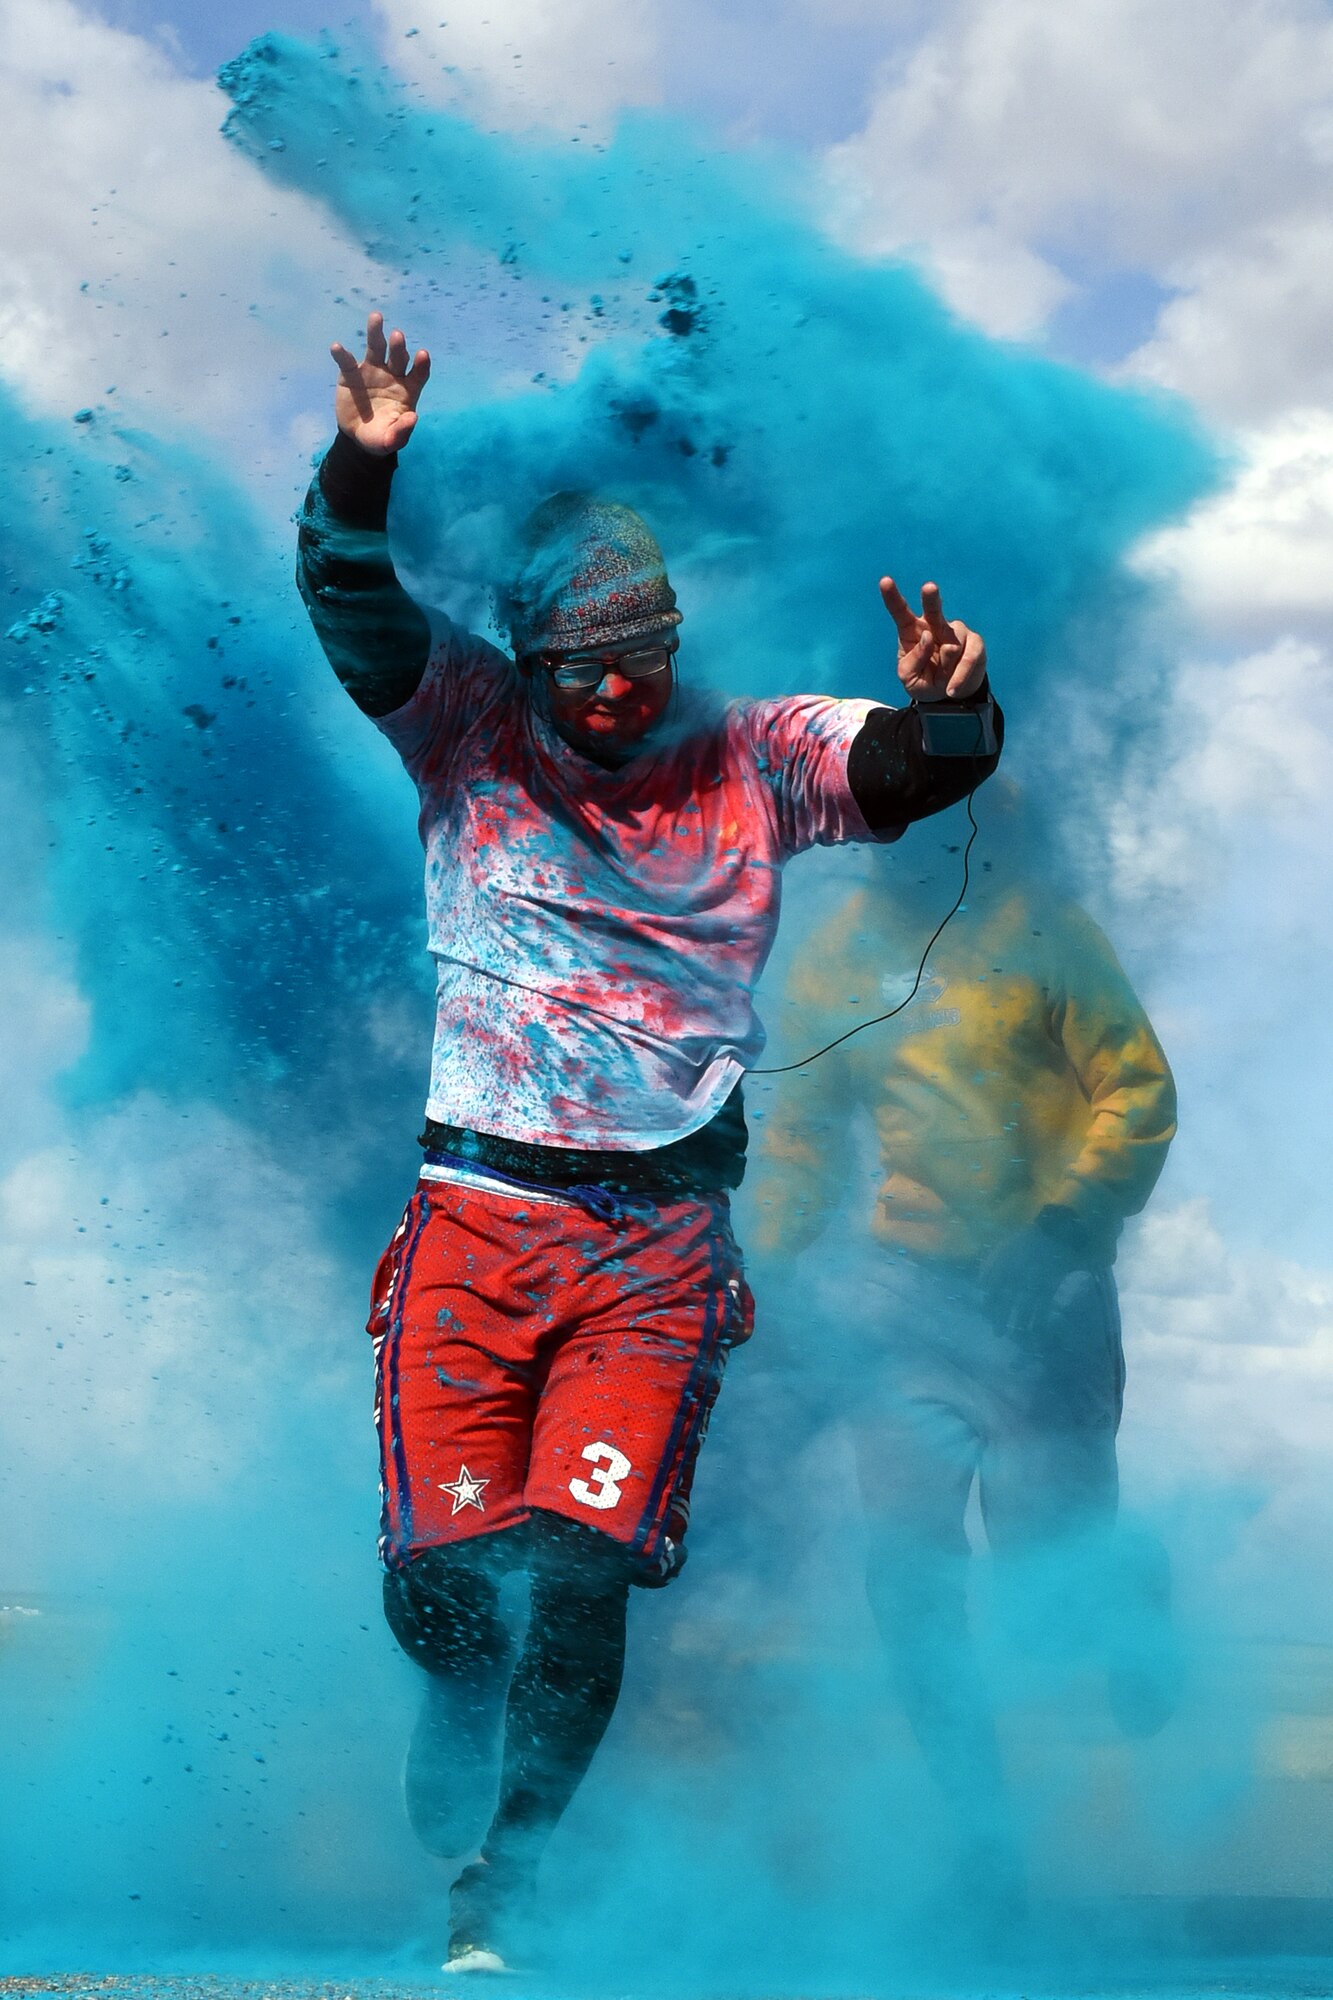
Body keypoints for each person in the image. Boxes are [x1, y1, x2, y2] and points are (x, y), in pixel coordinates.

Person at [296, 310, 1003, 1970]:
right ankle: (460, 1721)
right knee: (450, 1599)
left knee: (579, 1569)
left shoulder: (752, 753)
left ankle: (510, 1882)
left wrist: (956, 712)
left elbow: (910, 773)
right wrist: (367, 457)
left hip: (657, 1249)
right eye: (587, 664)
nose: (621, 690)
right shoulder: (463, 724)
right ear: (527, 660)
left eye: (647, 652)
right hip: (474, 1225)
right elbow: (347, 598)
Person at [747, 787, 1177, 1923]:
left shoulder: (1042, 928)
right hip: (904, 1302)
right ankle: (984, 1841)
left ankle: (1127, 1594)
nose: (907, 840)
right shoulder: (836, 958)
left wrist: (1069, 1223)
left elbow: (1137, 1088)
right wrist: (774, 1274)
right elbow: (797, 1133)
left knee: (1052, 1574)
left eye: (935, 819)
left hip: (1045, 1290)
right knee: (910, 1576)